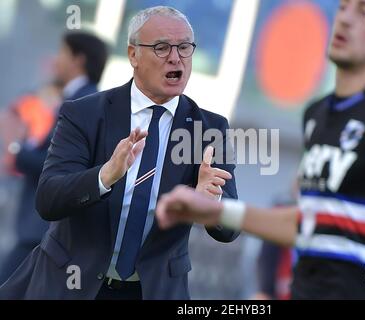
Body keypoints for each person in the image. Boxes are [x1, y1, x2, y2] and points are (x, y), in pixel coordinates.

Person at [156, 0, 365, 299]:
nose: (346, 18)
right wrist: (218, 210)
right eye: (344, 6)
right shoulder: (319, 114)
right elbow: (311, 222)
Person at [0, 6, 238, 300]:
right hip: (71, 285)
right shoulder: (84, 113)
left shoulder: (208, 128)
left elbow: (230, 230)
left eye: (185, 47)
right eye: (162, 47)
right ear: (133, 55)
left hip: (152, 291)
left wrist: (211, 202)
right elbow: (48, 199)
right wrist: (104, 176)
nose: (176, 57)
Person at [0, 31, 108, 285]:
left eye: (62, 53)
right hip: (44, 232)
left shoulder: (79, 102)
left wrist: (14, 147)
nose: (55, 61)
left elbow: (54, 165)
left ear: (78, 60)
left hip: (42, 231)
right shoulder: (82, 100)